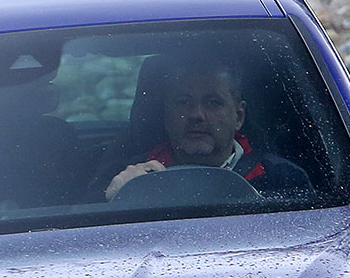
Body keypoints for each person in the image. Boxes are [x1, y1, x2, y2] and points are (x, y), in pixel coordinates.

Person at [103, 60, 312, 200]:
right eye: (184, 102)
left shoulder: (283, 179)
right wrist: (115, 198)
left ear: (238, 117)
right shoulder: (122, 176)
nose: (197, 115)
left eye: (212, 103)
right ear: (166, 116)